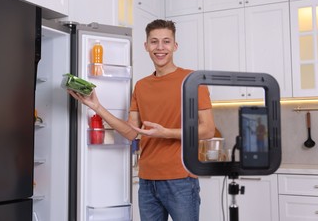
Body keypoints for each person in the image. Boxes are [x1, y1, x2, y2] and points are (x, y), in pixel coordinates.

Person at [68, 19, 215, 221]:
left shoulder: (193, 80)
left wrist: (166, 133)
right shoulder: (141, 85)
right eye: (154, 42)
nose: (160, 47)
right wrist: (97, 107)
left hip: (180, 179)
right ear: (146, 46)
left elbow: (207, 130)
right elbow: (131, 132)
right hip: (147, 181)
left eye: (166, 41)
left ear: (175, 46)